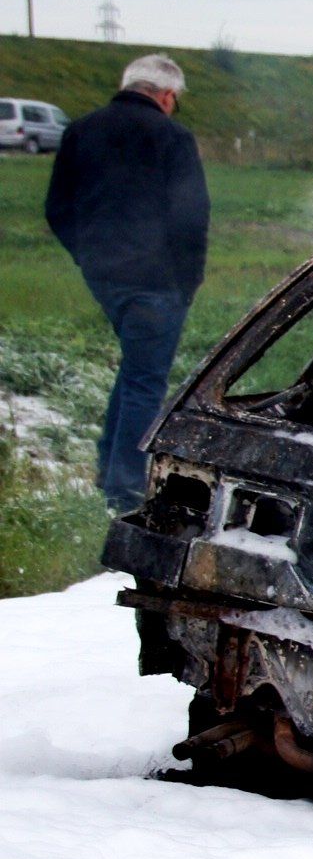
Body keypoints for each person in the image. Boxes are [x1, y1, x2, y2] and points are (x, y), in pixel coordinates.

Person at [44, 53, 210, 514]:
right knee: (146, 381)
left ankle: (107, 468)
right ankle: (125, 490)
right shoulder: (173, 137)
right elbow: (191, 217)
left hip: (104, 276)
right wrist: (188, 280)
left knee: (136, 369)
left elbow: (57, 207)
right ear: (167, 95)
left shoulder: (81, 130)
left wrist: (87, 256)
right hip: (156, 281)